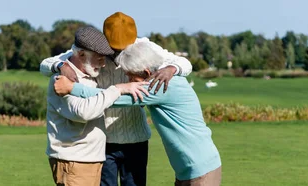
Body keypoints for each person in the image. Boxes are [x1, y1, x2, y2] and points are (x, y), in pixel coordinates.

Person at [40, 12, 192, 186]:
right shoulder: (95, 48)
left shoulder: (143, 46)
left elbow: (185, 63)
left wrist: (171, 68)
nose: (119, 51)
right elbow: (46, 63)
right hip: (104, 141)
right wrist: (60, 65)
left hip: (136, 138)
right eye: (115, 47)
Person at [54, 41, 222, 186]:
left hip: (200, 169)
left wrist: (72, 88)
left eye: (131, 77)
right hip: (188, 169)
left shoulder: (160, 86)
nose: (128, 83)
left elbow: (114, 99)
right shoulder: (163, 80)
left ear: (147, 73)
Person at [45, 26, 148, 186]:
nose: (104, 64)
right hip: (73, 161)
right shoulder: (63, 78)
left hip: (90, 160)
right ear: (80, 54)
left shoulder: (89, 74)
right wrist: (118, 89)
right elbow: (83, 112)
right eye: (99, 58)